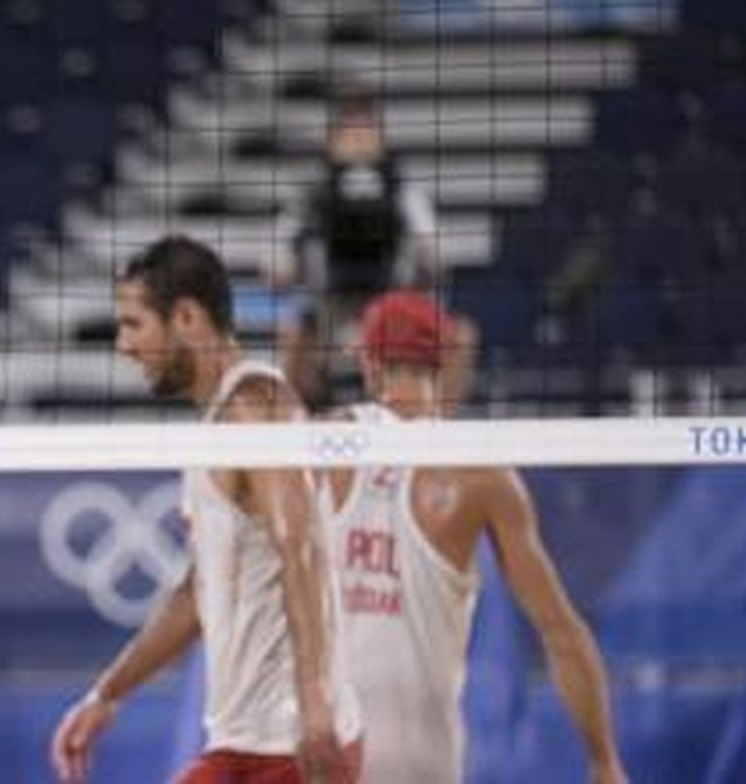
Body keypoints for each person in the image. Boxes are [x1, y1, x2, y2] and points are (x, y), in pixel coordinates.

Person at [50, 236, 362, 784]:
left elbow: (303, 549)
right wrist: (107, 694)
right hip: (244, 743)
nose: (124, 345)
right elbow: (197, 594)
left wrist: (315, 704)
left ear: (188, 318)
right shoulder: (219, 423)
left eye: (134, 324)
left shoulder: (253, 406)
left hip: (292, 744)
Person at [323, 289, 627, 784]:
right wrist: (604, 760)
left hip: (328, 754)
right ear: (441, 365)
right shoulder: (481, 476)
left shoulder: (314, 447)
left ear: (371, 364)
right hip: (424, 763)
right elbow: (561, 632)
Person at [274, 86, 476, 412]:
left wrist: (420, 274)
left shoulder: (404, 192)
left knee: (461, 336)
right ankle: (300, 426)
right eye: (349, 133)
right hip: (331, 308)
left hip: (392, 306)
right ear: (331, 142)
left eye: (366, 132)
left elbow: (435, 254)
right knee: (292, 333)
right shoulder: (311, 196)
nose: (358, 141)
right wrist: (292, 265)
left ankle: (436, 424)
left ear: (382, 140)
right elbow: (276, 263)